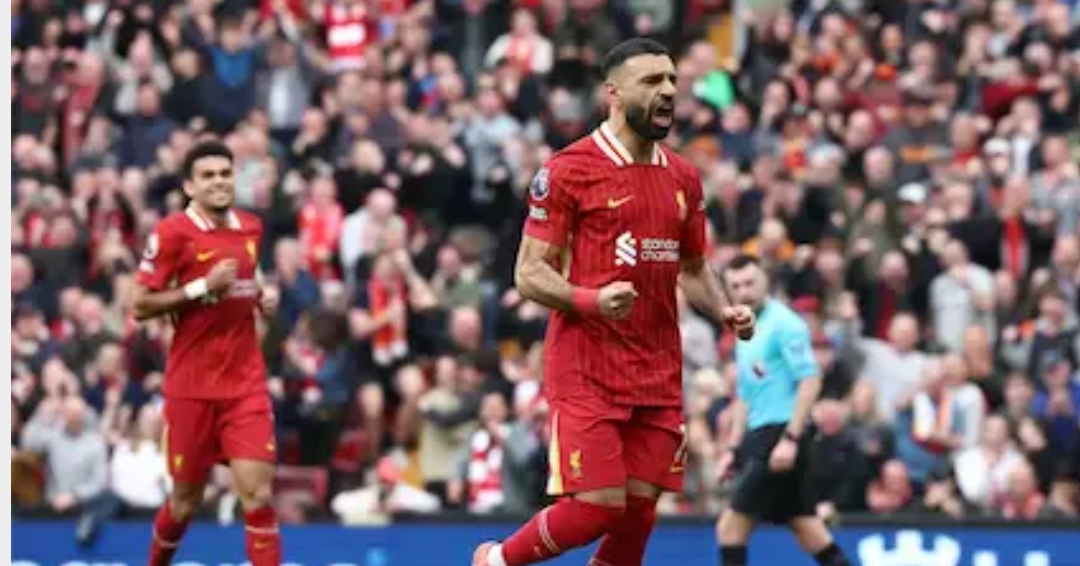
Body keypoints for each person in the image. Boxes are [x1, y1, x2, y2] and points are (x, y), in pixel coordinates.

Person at [472, 38, 755, 566]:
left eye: (671, 80)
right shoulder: (569, 170)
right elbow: (529, 274)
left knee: (638, 513)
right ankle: (495, 561)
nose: (667, 91)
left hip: (657, 371)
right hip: (589, 368)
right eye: (651, 81)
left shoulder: (683, 177)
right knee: (596, 508)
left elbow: (693, 267)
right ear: (614, 94)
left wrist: (722, 310)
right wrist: (592, 299)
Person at [131, 140, 282, 566]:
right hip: (191, 387)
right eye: (208, 175)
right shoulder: (171, 233)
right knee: (184, 502)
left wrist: (263, 299)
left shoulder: (251, 227)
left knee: (257, 495)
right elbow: (140, 305)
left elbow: (248, 283)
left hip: (244, 384)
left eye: (225, 173)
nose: (218, 182)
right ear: (189, 186)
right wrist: (201, 287)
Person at [715, 255, 852, 566]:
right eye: (736, 286)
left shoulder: (785, 323)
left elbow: (810, 381)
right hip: (761, 435)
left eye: (750, 283)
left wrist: (791, 438)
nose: (744, 291)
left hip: (781, 435)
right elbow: (745, 394)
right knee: (808, 530)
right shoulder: (745, 328)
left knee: (729, 529)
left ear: (766, 280)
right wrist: (733, 448)